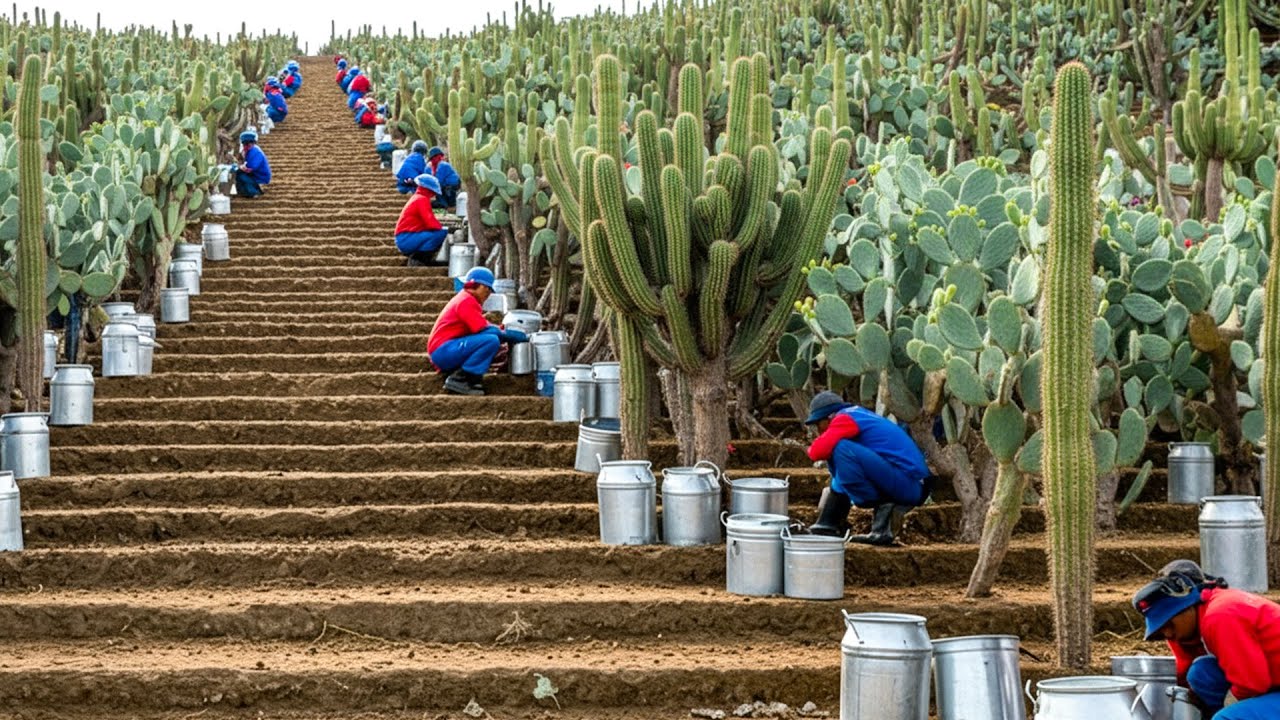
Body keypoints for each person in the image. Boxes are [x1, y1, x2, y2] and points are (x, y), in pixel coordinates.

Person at [1132, 562, 1280, 718]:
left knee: (1226, 717)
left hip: (1261, 683)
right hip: (1269, 682)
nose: (1167, 634)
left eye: (1169, 624)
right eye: (1160, 631)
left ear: (1187, 607)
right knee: (1201, 673)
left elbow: (1252, 684)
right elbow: (1184, 671)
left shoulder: (1221, 616)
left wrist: (1227, 708)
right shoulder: (1195, 620)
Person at [803, 391, 935, 544]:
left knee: (841, 448)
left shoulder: (845, 419)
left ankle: (869, 501)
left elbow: (816, 452)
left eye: (819, 424)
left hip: (911, 484)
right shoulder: (857, 415)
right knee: (839, 456)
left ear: (830, 416)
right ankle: (828, 523)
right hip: (907, 482)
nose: (819, 430)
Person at [426, 266, 527, 396]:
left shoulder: (465, 298)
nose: (488, 294)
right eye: (488, 290)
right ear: (481, 286)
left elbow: (482, 327)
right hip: (443, 351)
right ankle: (461, 378)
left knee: (490, 337)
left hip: (445, 349)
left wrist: (500, 331)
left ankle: (466, 377)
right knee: (490, 341)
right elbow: (483, 329)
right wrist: (509, 335)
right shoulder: (466, 301)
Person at [394, 174, 449, 266]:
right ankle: (419, 258)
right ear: (429, 190)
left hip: (404, 237)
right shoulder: (422, 200)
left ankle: (421, 258)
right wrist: (445, 229)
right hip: (406, 238)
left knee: (438, 232)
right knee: (439, 234)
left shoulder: (418, 198)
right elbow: (430, 222)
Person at [234, 130, 271, 198]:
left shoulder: (255, 152)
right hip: (256, 174)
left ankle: (254, 192)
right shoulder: (250, 150)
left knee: (241, 176)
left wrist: (241, 167)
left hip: (260, 177)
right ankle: (244, 192)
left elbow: (252, 167)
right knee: (239, 173)